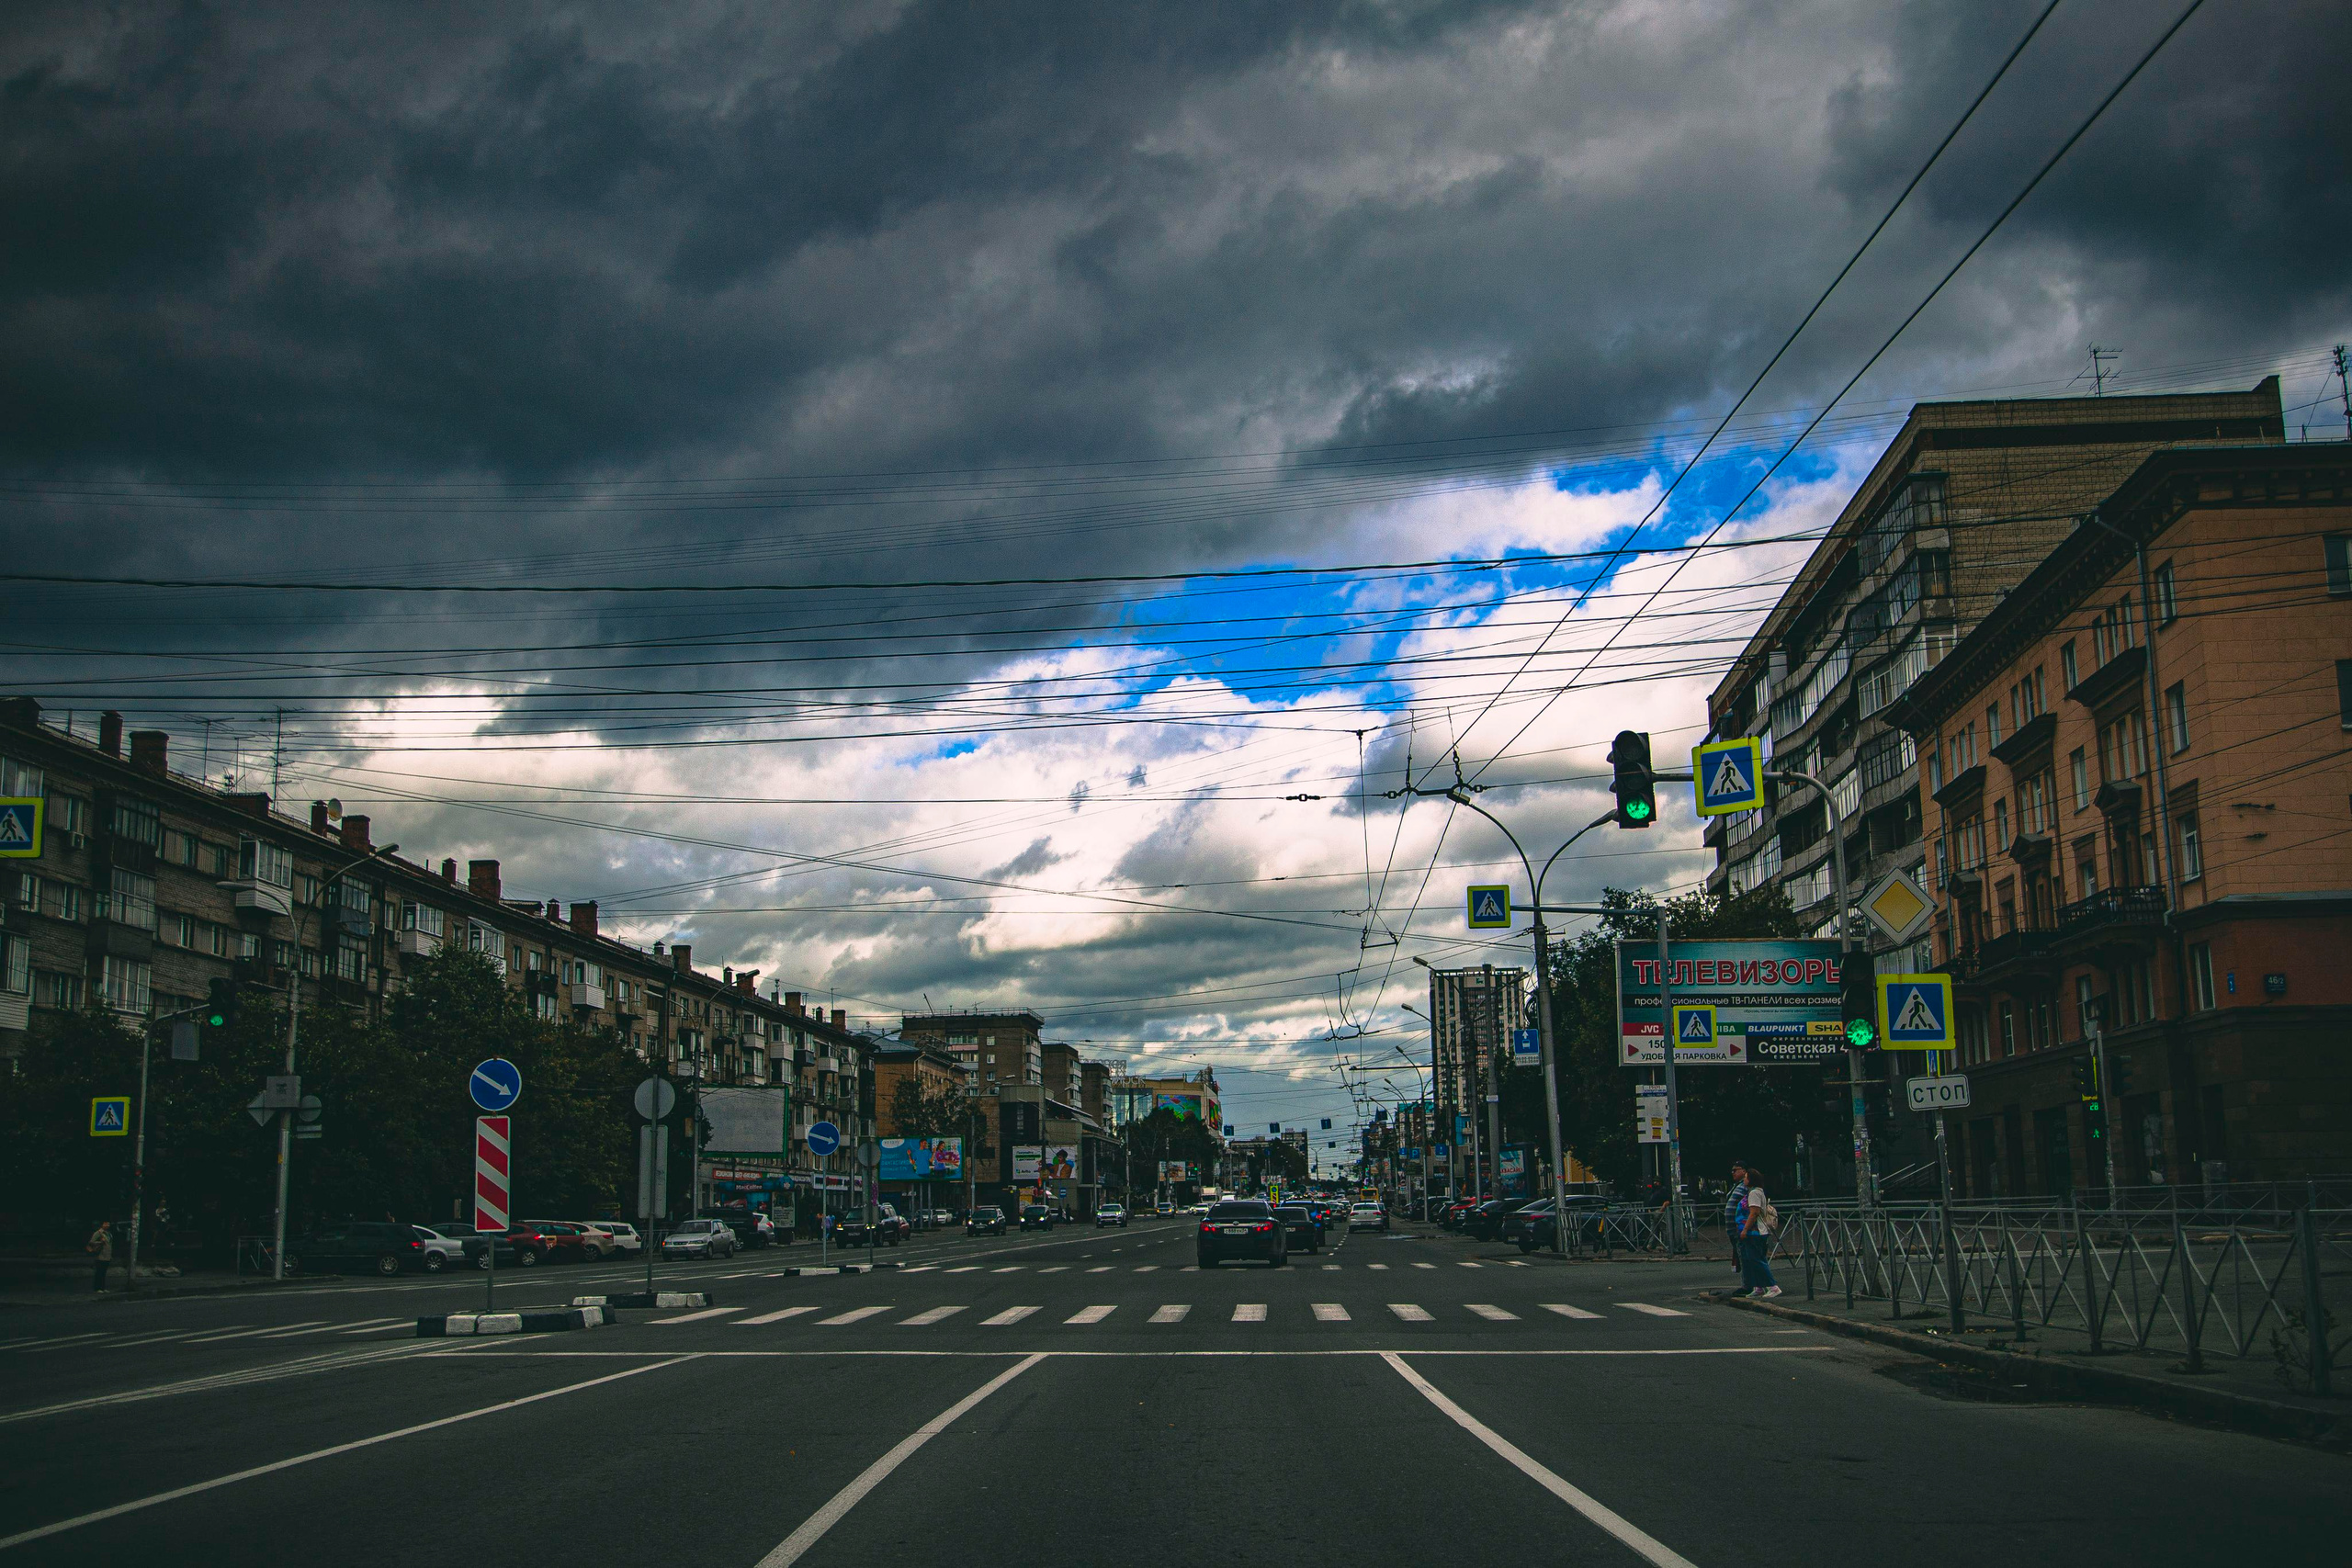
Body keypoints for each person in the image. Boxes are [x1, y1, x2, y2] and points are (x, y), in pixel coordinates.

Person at [1734, 1164, 1781, 1298]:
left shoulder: (1754, 1193)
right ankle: (1759, 1287)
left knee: (1756, 1259)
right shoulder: (1755, 1192)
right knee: (1751, 1259)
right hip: (1752, 1231)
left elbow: (1754, 1213)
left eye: (1746, 1177)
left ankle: (1773, 1286)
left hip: (1754, 1232)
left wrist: (1745, 1229)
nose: (1744, 1180)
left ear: (1751, 1179)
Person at [1723, 1165, 1749, 1279]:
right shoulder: (1736, 1186)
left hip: (1740, 1227)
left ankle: (1749, 1285)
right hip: (1733, 1228)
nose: (1733, 1173)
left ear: (1744, 1171)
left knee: (1744, 1257)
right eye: (1732, 1170)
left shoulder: (1746, 1186)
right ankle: (1748, 1284)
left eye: (1735, 1170)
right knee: (1740, 1256)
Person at [86, 1218, 115, 1292]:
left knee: (103, 1273)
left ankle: (102, 1287)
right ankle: (97, 1288)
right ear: (102, 1225)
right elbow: (91, 1242)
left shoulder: (109, 1233)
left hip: (107, 1256)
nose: (107, 1225)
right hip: (100, 1256)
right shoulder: (98, 1233)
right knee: (99, 1272)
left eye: (108, 1224)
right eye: (105, 1224)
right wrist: (100, 1242)